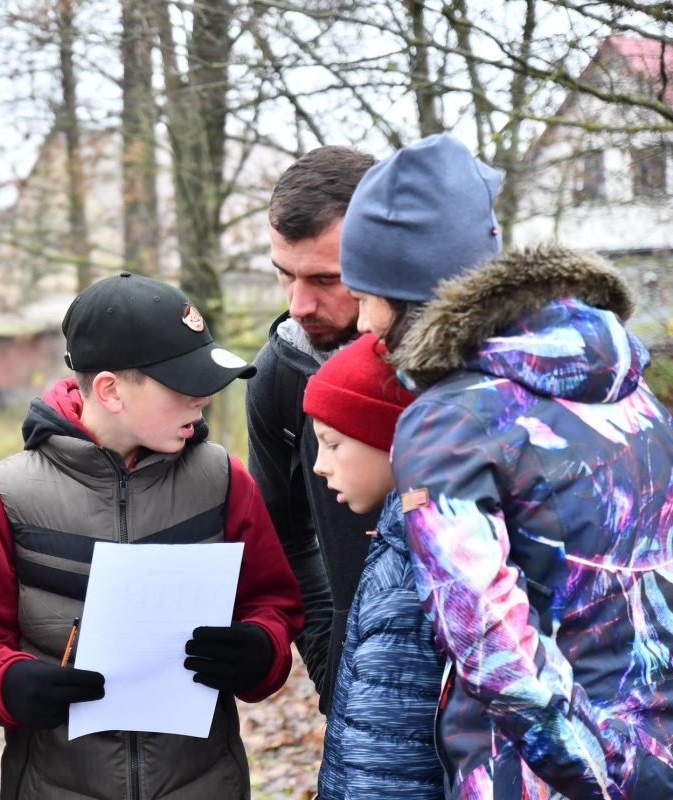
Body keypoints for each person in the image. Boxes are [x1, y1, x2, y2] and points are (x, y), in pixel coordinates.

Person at [341, 132, 673, 798]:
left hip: (548, 778)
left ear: (406, 291)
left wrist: (599, 772)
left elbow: (491, 644)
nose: (359, 323)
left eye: (363, 294)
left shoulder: (449, 423)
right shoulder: (633, 393)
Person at [0, 272, 304, 799]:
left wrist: (262, 650)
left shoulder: (225, 481)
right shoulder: (0, 499)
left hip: (205, 784)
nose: (204, 400)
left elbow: (272, 604)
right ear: (110, 390)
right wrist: (7, 683)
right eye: (183, 384)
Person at [246, 146, 379, 713]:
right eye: (285, 276)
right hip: (362, 711)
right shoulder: (279, 371)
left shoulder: (468, 368)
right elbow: (280, 537)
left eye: (326, 279)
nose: (299, 305)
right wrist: (333, 660)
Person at [302, 333, 444, 800]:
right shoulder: (403, 534)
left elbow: (386, 764)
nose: (320, 465)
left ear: (394, 440)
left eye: (334, 443)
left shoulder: (406, 575)